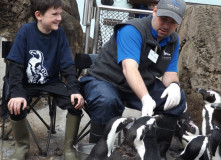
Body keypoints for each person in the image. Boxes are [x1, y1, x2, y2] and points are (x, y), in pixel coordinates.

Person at [80, 0, 186, 159]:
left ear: (180, 22)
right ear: (155, 11)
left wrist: (174, 86)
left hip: (140, 84)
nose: (166, 25)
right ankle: (98, 153)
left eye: (172, 22)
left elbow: (169, 74)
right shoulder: (132, 30)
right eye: (164, 18)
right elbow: (129, 69)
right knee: (106, 101)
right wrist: (145, 98)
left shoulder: (173, 40)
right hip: (105, 80)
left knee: (176, 100)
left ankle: (156, 153)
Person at [6, 0, 84, 159]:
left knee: (75, 104)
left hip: (52, 82)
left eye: (60, 13)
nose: (59, 18)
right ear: (39, 15)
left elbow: (68, 65)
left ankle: (69, 149)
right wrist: (17, 93)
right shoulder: (26, 31)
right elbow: (15, 65)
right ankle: (22, 147)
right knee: (15, 105)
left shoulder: (60, 34)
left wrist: (74, 90)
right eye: (54, 14)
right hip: (26, 83)